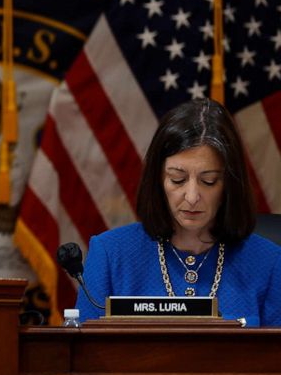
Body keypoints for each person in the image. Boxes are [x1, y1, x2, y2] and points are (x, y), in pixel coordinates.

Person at [76, 98, 281, 326]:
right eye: (178, 179)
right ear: (158, 180)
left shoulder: (269, 263)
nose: (192, 197)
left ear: (229, 185)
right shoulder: (110, 254)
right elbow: (84, 356)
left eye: (209, 181)